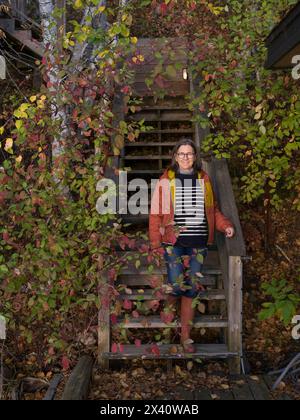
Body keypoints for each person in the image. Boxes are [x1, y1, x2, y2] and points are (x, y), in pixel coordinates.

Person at [149, 138, 235, 352]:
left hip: (198, 245)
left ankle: (185, 337)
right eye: (182, 153)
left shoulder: (203, 179)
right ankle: (169, 327)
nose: (186, 157)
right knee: (177, 284)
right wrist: (155, 243)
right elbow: (155, 215)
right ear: (175, 156)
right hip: (173, 243)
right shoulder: (165, 180)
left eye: (189, 153)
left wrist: (225, 226)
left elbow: (211, 209)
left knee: (191, 289)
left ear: (195, 157)